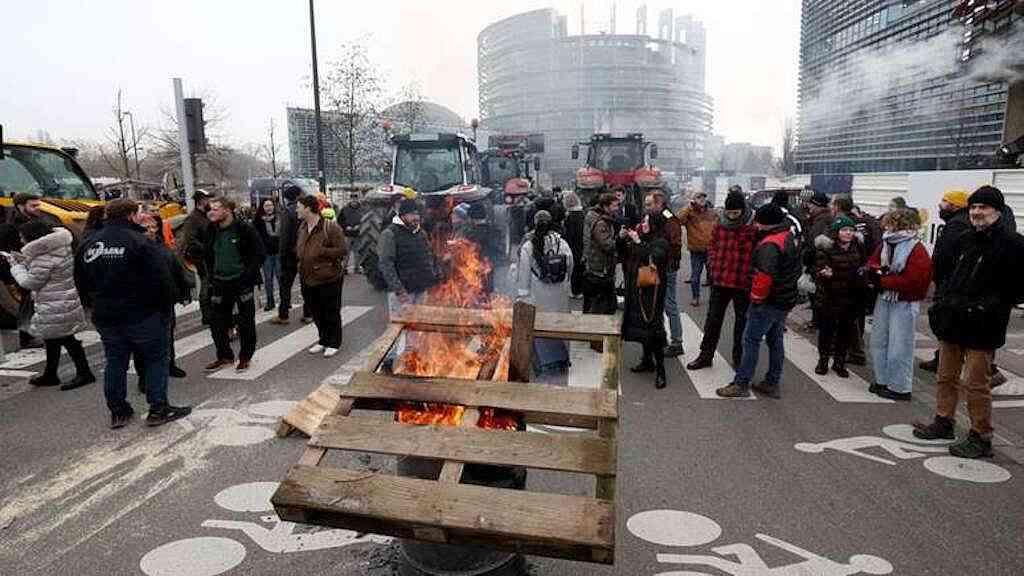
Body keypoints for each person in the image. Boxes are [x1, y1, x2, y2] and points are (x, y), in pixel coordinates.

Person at [914, 186, 1024, 458]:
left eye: (983, 207)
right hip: (954, 320)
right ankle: (943, 421)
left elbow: (1017, 288)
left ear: (997, 211)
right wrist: (943, 303)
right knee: (946, 376)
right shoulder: (966, 238)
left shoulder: (1013, 243)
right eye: (973, 207)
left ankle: (980, 435)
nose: (976, 212)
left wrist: (988, 305)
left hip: (984, 326)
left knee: (976, 383)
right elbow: (950, 274)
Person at [74, 199, 191, 429]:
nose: (142, 216)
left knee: (115, 362)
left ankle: (118, 410)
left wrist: (93, 307)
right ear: (130, 215)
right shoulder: (140, 242)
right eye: (139, 213)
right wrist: (165, 308)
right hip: (143, 315)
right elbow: (161, 280)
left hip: (107, 316)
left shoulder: (89, 244)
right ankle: (158, 408)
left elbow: (80, 281)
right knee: (156, 360)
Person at [716, 204, 801, 399]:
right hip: (784, 299)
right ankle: (772, 381)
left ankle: (741, 383)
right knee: (775, 340)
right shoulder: (788, 236)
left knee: (751, 340)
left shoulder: (769, 245)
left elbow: (764, 276)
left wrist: (756, 298)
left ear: (766, 223)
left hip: (769, 301)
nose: (755, 223)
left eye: (758, 221)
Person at [9, 221, 94, 391]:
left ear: (32, 237)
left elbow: (30, 282)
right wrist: (25, 261)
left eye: (22, 237)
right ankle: (51, 373)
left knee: (66, 339)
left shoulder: (43, 257)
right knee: (53, 338)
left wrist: (16, 267)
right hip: (62, 299)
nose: (21, 240)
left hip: (54, 303)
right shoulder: (57, 247)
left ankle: (84, 373)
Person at [864, 208, 931, 401]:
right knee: (879, 340)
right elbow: (873, 262)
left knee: (900, 344)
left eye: (890, 222)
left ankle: (900, 386)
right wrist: (874, 272)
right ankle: (882, 379)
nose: (886, 226)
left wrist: (881, 280)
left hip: (904, 301)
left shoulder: (916, 248)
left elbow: (916, 280)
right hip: (886, 297)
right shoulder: (886, 243)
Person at [688, 190, 756, 370]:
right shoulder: (720, 223)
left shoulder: (753, 225)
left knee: (742, 323)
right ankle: (705, 356)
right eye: (729, 212)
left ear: (743, 209)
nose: (732, 216)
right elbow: (712, 244)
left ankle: (739, 358)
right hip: (720, 280)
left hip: (743, 281)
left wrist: (751, 273)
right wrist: (712, 262)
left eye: (736, 212)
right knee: (712, 321)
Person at [202, 197, 266, 373]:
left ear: (227, 211)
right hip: (219, 283)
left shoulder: (244, 229)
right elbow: (207, 254)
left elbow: (259, 254)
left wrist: (247, 276)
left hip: (241, 282)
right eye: (210, 208)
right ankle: (224, 356)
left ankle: (245, 357)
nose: (211, 212)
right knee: (217, 322)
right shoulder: (211, 229)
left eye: (215, 208)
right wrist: (211, 276)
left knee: (246, 322)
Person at [133, 213, 192, 390]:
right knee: (143, 342)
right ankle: (143, 377)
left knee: (168, 335)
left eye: (153, 227)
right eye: (146, 227)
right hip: (143, 303)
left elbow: (174, 268)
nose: (151, 230)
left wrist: (182, 291)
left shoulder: (161, 245)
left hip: (165, 300)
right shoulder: (135, 248)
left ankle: (170, 365)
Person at [516, 210, 574, 373]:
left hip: (539, 290)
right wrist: (565, 281)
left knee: (540, 324)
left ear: (535, 223)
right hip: (559, 291)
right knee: (557, 323)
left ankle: (546, 360)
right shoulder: (560, 242)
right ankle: (561, 358)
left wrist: (523, 292)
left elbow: (524, 270)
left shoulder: (529, 244)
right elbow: (570, 263)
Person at [812, 215, 866, 378]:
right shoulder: (827, 248)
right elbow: (821, 270)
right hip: (829, 296)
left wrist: (859, 276)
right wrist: (828, 275)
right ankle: (823, 361)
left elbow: (862, 266)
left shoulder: (858, 247)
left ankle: (839, 362)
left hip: (850, 296)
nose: (848, 233)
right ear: (837, 232)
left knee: (846, 331)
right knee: (827, 331)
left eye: (851, 230)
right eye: (844, 230)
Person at [621, 212, 671, 389]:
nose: (643, 224)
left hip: (653, 291)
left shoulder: (662, 241)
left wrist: (638, 242)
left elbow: (653, 258)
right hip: (637, 288)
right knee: (642, 327)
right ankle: (647, 360)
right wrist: (623, 240)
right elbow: (626, 255)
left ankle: (661, 371)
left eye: (647, 221)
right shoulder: (643, 237)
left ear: (655, 224)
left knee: (653, 327)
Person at [296, 194, 348, 357]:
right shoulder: (303, 227)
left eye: (299, 207)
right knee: (315, 310)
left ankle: (334, 342)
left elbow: (342, 250)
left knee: (330, 310)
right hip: (307, 277)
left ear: (308, 209)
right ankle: (323, 339)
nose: (297, 209)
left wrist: (322, 251)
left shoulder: (330, 227)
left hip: (329, 277)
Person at [377, 198, 439, 314]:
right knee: (403, 328)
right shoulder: (389, 234)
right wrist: (399, 290)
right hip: (403, 293)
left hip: (421, 289)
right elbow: (386, 264)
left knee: (420, 328)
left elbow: (429, 256)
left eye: (417, 214)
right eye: (412, 214)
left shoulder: (421, 233)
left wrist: (432, 278)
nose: (416, 218)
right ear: (402, 215)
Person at [644, 190, 684, 356]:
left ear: (659, 204)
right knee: (652, 303)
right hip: (651, 264)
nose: (646, 207)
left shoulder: (669, 217)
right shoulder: (651, 217)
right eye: (645, 204)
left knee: (669, 304)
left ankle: (677, 342)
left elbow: (675, 241)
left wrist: (672, 260)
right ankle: (660, 337)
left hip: (666, 266)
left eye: (649, 204)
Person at [272, 183, 311, 325]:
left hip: (289, 254)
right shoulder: (307, 210)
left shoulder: (287, 212)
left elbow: (284, 235)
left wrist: (282, 254)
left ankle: (284, 315)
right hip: (305, 252)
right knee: (306, 283)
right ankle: (308, 313)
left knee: (285, 285)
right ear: (298, 195)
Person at [179, 189, 214, 325]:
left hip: (207, 256)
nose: (209, 202)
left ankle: (210, 313)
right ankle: (206, 315)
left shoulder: (205, 216)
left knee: (210, 284)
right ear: (201, 201)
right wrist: (206, 249)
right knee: (206, 284)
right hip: (202, 258)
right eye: (207, 199)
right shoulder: (193, 218)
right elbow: (191, 239)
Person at [582, 192, 621, 317]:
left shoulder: (594, 217)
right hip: (600, 269)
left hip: (595, 266)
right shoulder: (600, 223)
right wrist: (620, 238)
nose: (617, 208)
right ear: (606, 206)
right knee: (604, 306)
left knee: (594, 305)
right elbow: (608, 245)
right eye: (615, 206)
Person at [676, 191, 716, 306]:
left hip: (710, 250)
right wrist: (688, 208)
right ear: (693, 200)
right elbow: (678, 220)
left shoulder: (711, 212)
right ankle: (695, 297)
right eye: (699, 197)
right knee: (695, 276)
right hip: (696, 250)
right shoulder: (689, 213)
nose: (702, 199)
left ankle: (714, 299)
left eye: (703, 197)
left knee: (713, 277)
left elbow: (718, 226)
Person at [801, 191, 832, 330]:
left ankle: (818, 322)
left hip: (818, 263)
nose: (809, 206)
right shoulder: (819, 218)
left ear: (818, 205)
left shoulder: (821, 221)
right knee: (815, 294)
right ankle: (817, 321)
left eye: (812, 204)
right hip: (817, 262)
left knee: (817, 294)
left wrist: (807, 259)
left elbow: (814, 244)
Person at [254, 198, 281, 312]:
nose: (269, 207)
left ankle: (284, 300)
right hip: (266, 255)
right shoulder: (258, 221)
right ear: (262, 207)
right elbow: (255, 238)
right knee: (268, 279)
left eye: (271, 205)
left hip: (279, 252)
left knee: (280, 278)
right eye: (266, 205)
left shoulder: (279, 218)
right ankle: (270, 301)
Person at [562, 191, 586, 300]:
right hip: (582, 245)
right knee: (580, 268)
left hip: (573, 246)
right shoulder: (582, 214)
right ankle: (580, 289)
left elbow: (569, 235)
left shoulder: (570, 217)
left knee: (573, 269)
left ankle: (575, 290)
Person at [340, 195, 365, 273]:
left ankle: (357, 268)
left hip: (358, 234)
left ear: (357, 200)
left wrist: (360, 226)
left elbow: (365, 220)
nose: (354, 201)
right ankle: (344, 268)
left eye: (355, 199)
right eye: (352, 199)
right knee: (345, 253)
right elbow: (340, 221)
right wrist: (345, 227)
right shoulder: (344, 209)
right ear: (350, 200)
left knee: (358, 252)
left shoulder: (362, 209)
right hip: (347, 234)